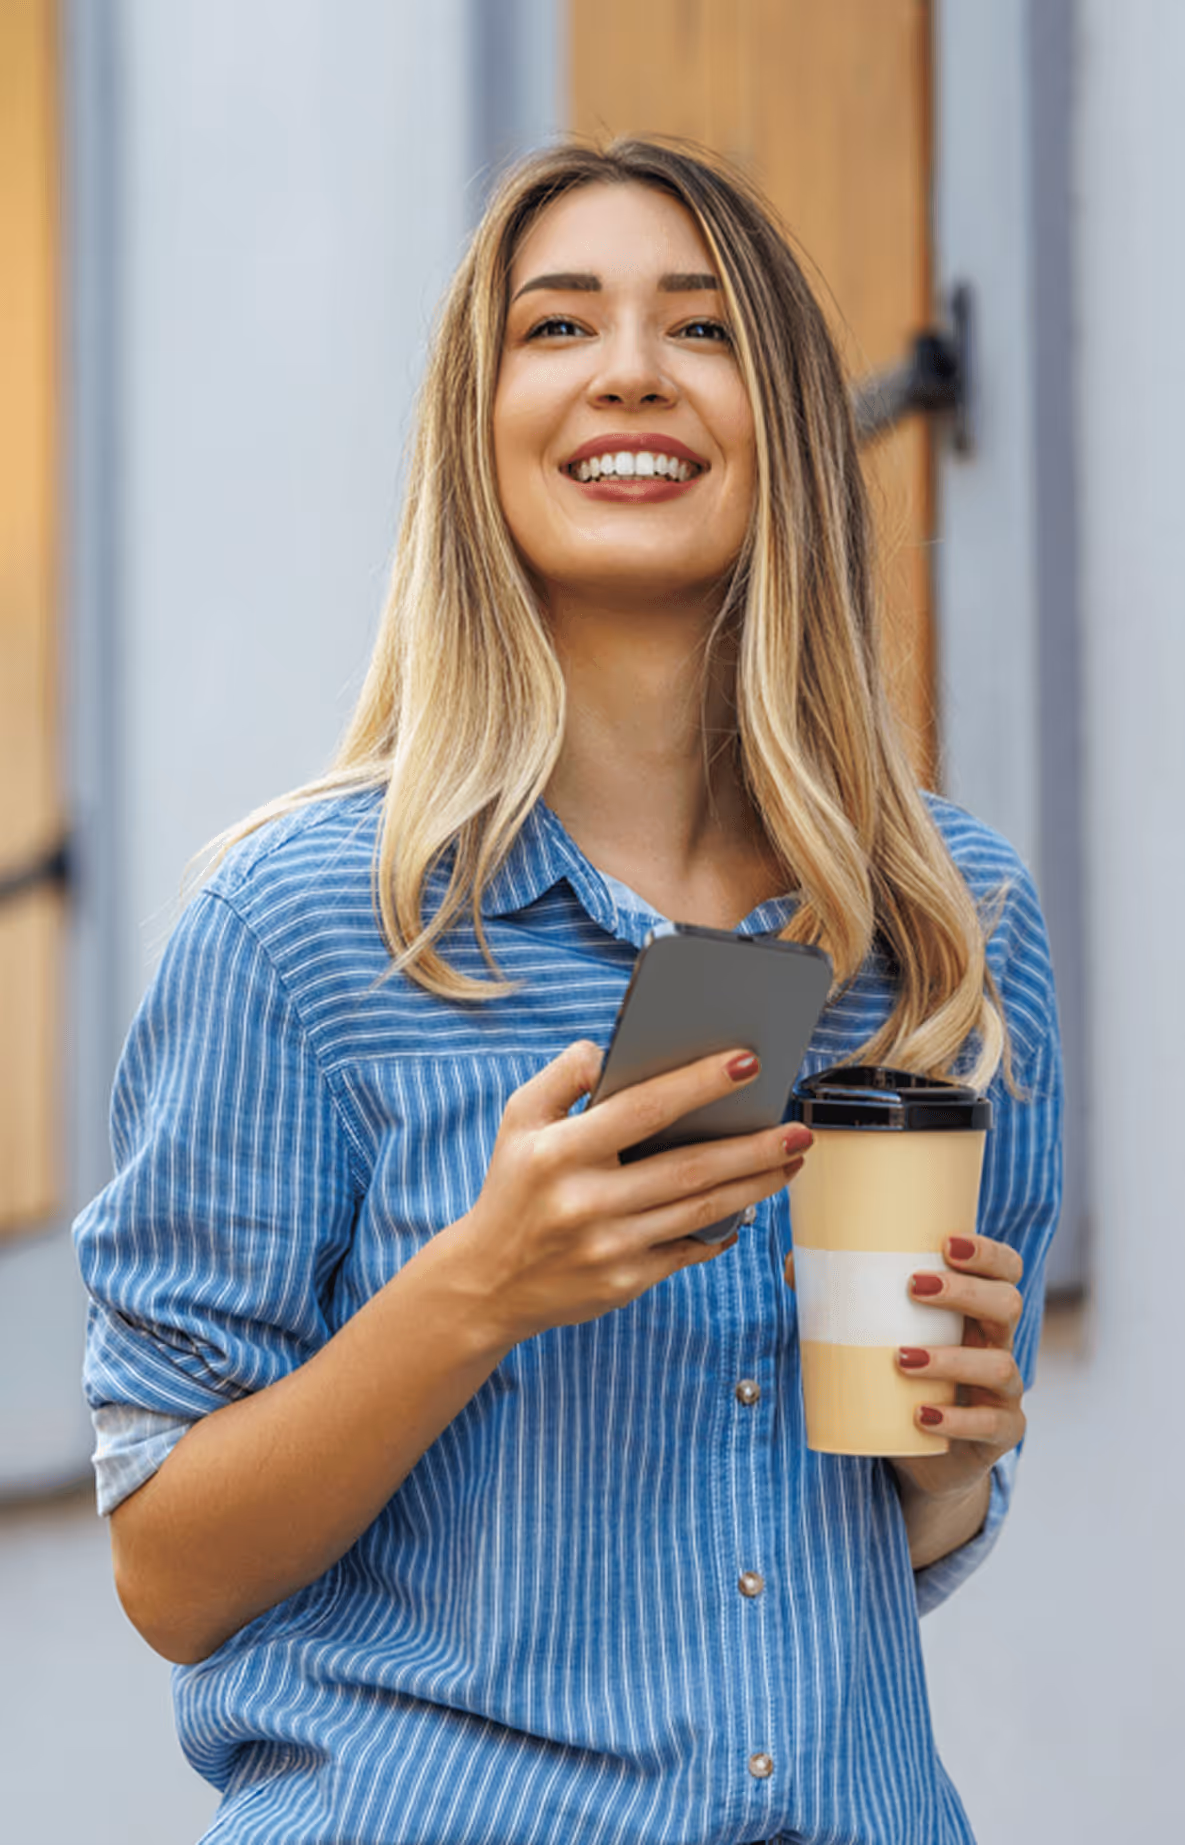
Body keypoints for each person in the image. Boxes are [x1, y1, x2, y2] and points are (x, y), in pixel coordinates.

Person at [74, 138, 1062, 1845]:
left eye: (702, 328)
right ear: (479, 428)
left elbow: (883, 1541)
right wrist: (482, 1287)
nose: (629, 369)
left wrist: (954, 1453)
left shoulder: (947, 920)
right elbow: (167, 1567)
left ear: (789, 428)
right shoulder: (299, 926)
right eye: (557, 326)